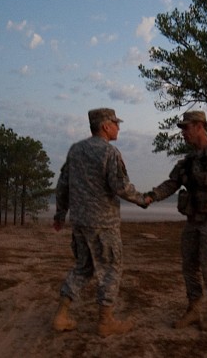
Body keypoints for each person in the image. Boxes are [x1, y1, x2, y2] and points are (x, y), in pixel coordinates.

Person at [52, 108, 150, 337]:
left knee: (83, 267)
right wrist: (142, 200)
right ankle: (106, 321)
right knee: (111, 269)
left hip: (80, 223)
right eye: (116, 123)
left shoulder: (75, 150)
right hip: (103, 225)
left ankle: (61, 315)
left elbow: (62, 185)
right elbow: (121, 187)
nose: (119, 127)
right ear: (105, 126)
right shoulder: (109, 152)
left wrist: (59, 214)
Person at [145, 111, 207, 331]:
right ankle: (194, 309)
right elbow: (172, 183)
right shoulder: (188, 161)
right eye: (182, 129)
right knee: (189, 266)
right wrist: (152, 195)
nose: (183, 133)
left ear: (200, 126)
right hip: (193, 220)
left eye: (186, 128)